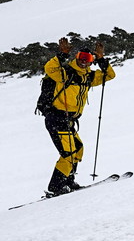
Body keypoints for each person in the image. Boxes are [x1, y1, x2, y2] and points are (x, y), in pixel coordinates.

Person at [38, 37, 115, 197]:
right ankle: (56, 187)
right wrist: (62, 54)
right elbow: (49, 68)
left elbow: (109, 75)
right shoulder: (65, 73)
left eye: (88, 59)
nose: (84, 62)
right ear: (76, 57)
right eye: (81, 57)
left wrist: (101, 59)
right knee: (69, 153)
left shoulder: (88, 77)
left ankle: (68, 181)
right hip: (56, 118)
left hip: (69, 120)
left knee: (77, 150)